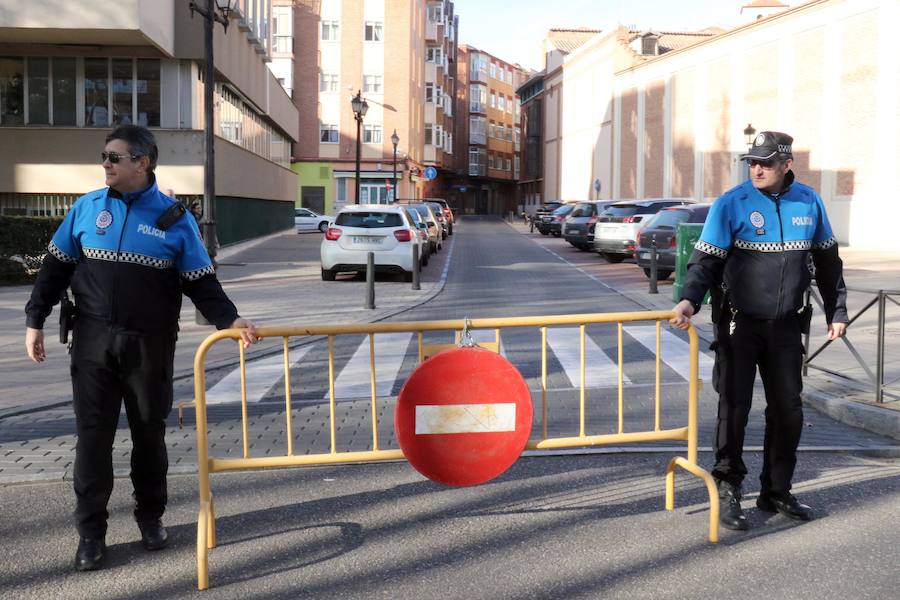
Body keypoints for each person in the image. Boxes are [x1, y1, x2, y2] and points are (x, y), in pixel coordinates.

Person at [24, 125, 260, 571]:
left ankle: (150, 518)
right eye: (104, 156)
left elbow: (202, 283)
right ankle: (91, 535)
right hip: (92, 342)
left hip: (149, 345)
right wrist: (34, 320)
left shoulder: (175, 219)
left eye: (114, 156)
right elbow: (53, 269)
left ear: (142, 162)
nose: (106, 163)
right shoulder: (87, 207)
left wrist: (230, 319)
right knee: (92, 442)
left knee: (149, 436)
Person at [669, 131, 847, 531]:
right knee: (734, 408)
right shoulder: (731, 203)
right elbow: (705, 263)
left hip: (787, 325)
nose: (757, 169)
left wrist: (839, 310)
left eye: (765, 162)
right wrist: (688, 300)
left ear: (787, 165)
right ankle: (728, 487)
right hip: (739, 323)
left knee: (789, 411)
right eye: (752, 162)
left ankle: (776, 490)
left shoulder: (810, 201)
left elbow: (829, 262)